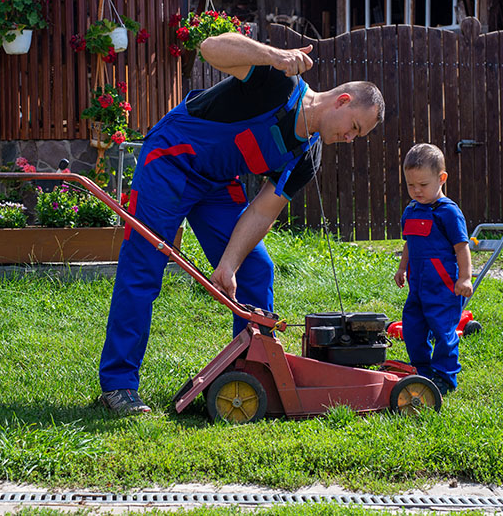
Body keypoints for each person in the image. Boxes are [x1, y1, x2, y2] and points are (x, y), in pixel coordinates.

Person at [98, 31, 385, 414]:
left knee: (255, 269)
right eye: (355, 128)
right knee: (144, 267)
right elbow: (210, 48)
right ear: (343, 101)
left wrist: (229, 264)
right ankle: (118, 385)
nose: (350, 138)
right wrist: (274, 56)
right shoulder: (279, 83)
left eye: (357, 136)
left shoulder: (307, 157)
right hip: (170, 160)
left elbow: (262, 212)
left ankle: (247, 377)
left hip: (215, 183)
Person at [393, 143, 473, 397]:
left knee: (443, 330)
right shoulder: (411, 210)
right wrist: (402, 268)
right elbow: (409, 242)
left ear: (442, 178)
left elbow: (462, 247)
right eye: (410, 185)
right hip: (418, 286)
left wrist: (465, 278)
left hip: (443, 287)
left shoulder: (448, 212)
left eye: (423, 185)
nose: (416, 190)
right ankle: (421, 369)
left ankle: (444, 376)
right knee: (412, 328)